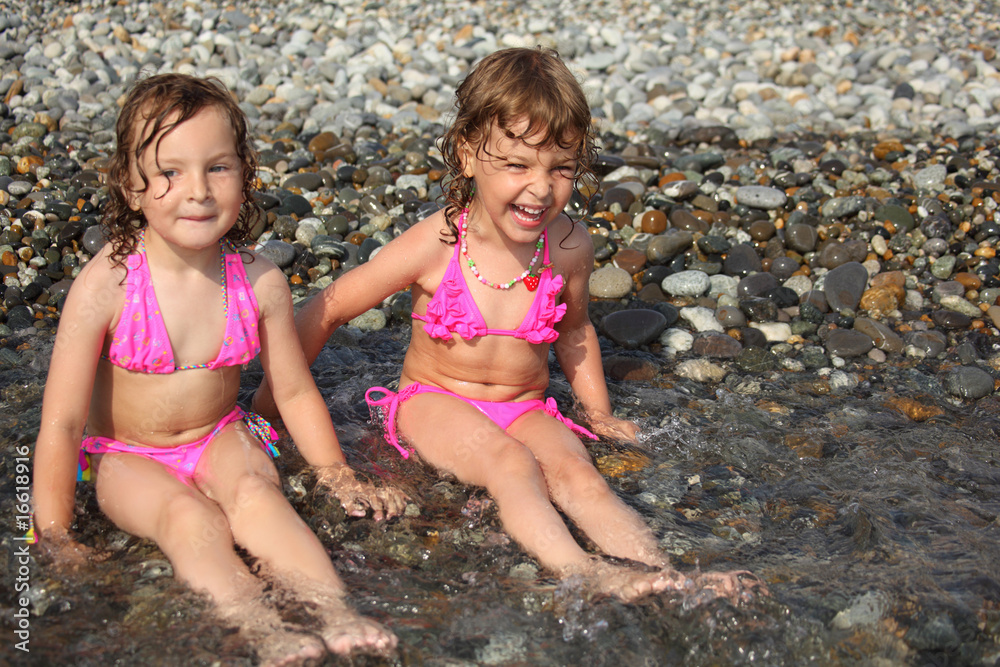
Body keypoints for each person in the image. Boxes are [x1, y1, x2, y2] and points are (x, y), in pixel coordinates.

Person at [255, 47, 763, 603]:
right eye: (518, 165)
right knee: (511, 465)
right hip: (434, 402)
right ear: (470, 154)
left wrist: (598, 413)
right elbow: (327, 308)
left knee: (578, 472)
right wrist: (266, 407)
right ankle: (581, 571)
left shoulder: (567, 246)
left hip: (525, 406)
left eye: (561, 169)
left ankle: (664, 574)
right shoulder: (438, 243)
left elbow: (574, 332)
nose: (541, 189)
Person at [32, 73, 407, 664]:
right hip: (124, 454)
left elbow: (294, 390)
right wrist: (53, 532)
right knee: (186, 516)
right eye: (171, 172)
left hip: (218, 435)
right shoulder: (107, 285)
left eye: (218, 168)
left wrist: (335, 470)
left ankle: (336, 612)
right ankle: (257, 626)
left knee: (258, 496)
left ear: (244, 173)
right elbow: (61, 420)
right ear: (131, 187)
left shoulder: (258, 281)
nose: (199, 192)